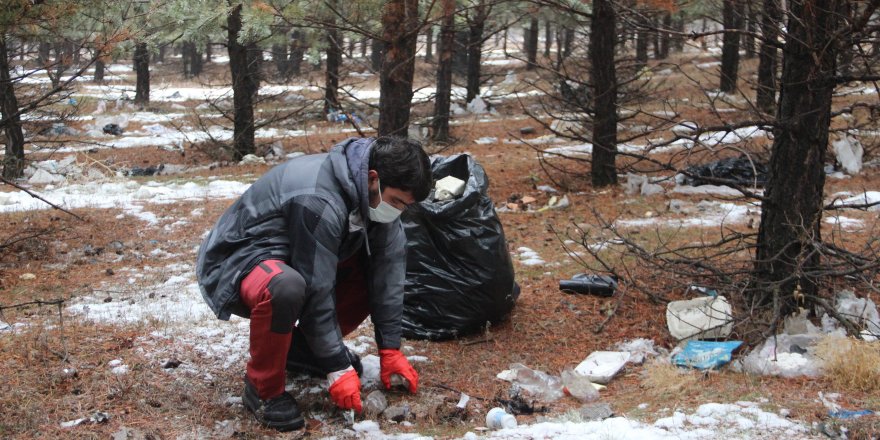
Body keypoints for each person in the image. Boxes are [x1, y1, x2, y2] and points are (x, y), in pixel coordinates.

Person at [196, 136, 432, 431]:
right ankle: (262, 388)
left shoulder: (372, 194)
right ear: (373, 178)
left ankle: (302, 350)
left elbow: (389, 271)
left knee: (365, 271)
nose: (398, 210)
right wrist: (336, 364)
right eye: (396, 201)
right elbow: (316, 286)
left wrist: (390, 348)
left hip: (293, 255)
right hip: (237, 259)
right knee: (286, 286)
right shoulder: (319, 198)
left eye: (405, 205)